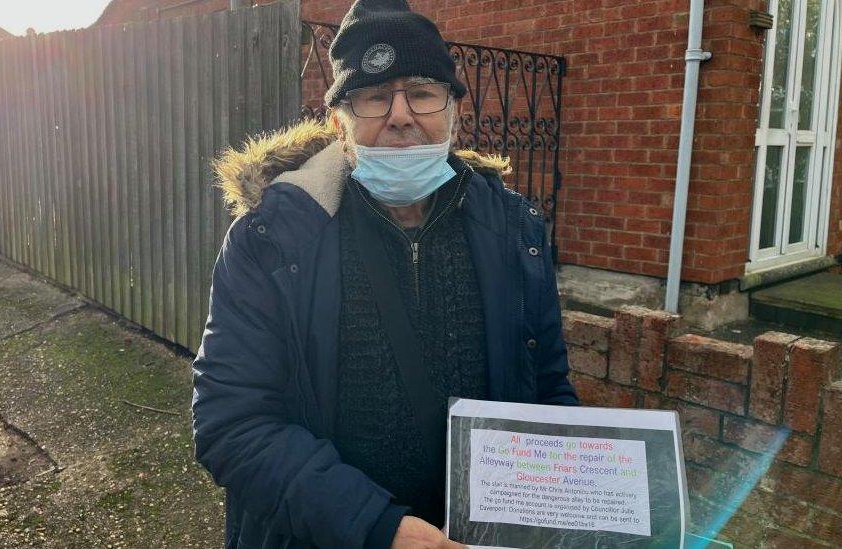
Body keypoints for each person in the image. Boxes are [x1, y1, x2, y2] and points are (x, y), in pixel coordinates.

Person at [191, 1, 578, 547]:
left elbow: (547, 389)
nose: (401, 115)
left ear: (453, 112)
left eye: (421, 91)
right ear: (338, 125)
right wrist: (376, 528)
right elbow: (233, 424)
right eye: (374, 97)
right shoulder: (271, 242)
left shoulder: (514, 232)